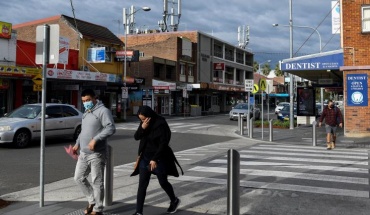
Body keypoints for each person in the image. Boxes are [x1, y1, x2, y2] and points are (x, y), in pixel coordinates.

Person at [131, 106, 183, 215]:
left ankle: (174, 200)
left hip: (159, 157)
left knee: (163, 182)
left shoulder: (161, 123)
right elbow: (136, 137)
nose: (143, 121)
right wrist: (142, 127)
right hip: (145, 158)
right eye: (141, 119)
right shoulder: (144, 124)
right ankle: (138, 212)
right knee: (142, 185)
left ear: (150, 116)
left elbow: (163, 143)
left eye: (144, 119)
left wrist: (155, 159)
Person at [73, 89, 116, 215]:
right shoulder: (86, 112)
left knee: (97, 181)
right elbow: (83, 131)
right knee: (78, 178)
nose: (85, 103)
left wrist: (96, 139)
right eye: (83, 101)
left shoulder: (103, 111)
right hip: (83, 153)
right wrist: (77, 144)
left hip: (97, 153)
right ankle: (92, 200)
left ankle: (98, 209)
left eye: (88, 100)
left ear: (94, 98)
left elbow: (111, 128)